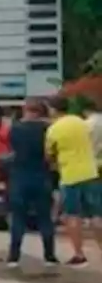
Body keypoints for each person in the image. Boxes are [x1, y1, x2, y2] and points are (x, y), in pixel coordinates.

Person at [47, 96, 99, 267]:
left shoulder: (53, 129)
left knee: (73, 215)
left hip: (70, 176)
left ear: (53, 109)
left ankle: (79, 254)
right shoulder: (82, 122)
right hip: (91, 173)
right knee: (96, 215)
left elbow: (48, 155)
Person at [6, 99, 58, 267]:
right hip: (41, 175)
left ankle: (14, 256)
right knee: (45, 217)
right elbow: (51, 152)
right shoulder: (47, 128)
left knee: (18, 218)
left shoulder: (15, 128)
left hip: (20, 175)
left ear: (25, 110)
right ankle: (49, 256)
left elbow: (12, 149)